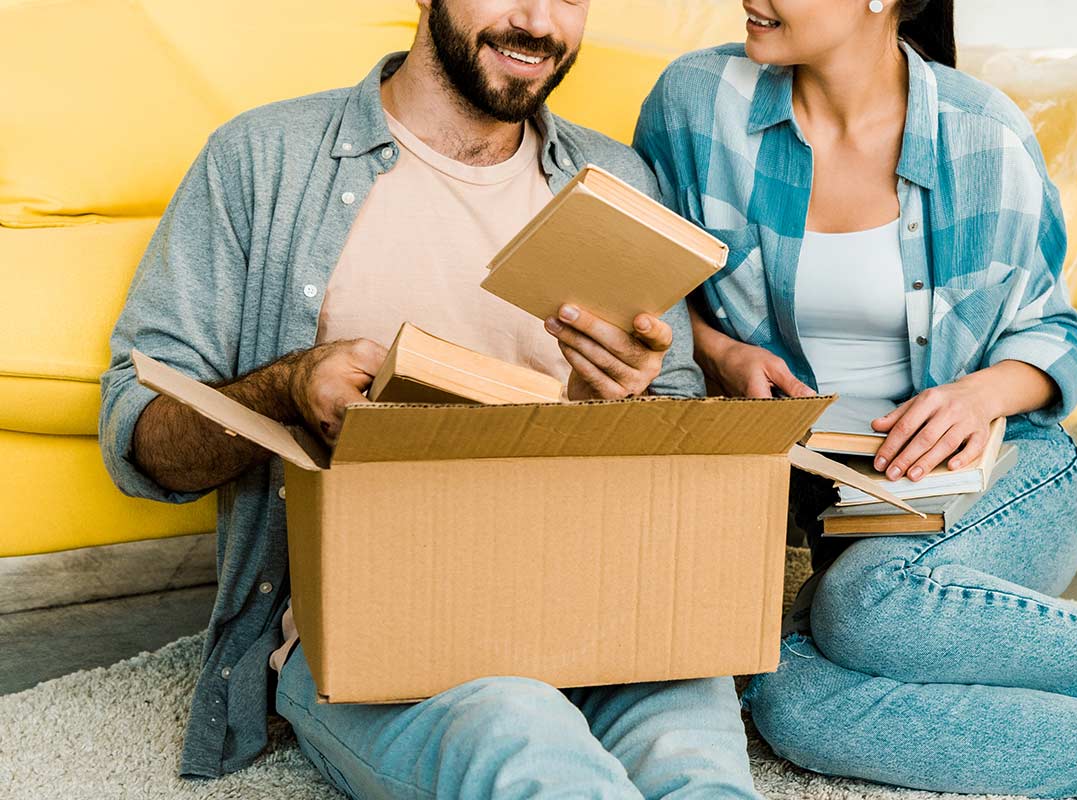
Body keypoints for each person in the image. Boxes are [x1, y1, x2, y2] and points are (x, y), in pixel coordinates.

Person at [98, 1, 762, 796]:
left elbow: (680, 445)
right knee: (527, 750)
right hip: (377, 632)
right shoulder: (262, 158)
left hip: (602, 608)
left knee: (703, 776)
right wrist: (286, 388)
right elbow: (138, 438)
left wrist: (609, 400)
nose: (540, 23)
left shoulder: (617, 183)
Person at [633, 0, 1077, 796]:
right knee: (790, 702)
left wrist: (977, 396)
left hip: (1002, 471)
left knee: (869, 607)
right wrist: (723, 353)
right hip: (825, 498)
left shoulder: (983, 134)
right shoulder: (695, 103)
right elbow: (653, 272)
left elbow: (1054, 334)